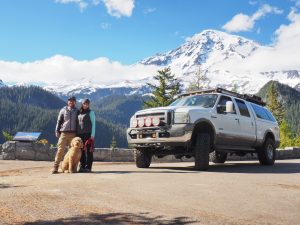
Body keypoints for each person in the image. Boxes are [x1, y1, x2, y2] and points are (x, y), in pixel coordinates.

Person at [52, 96, 79, 174]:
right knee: (60, 150)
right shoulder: (63, 110)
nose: (71, 102)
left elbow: (79, 122)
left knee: (73, 152)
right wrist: (57, 130)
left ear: (75, 102)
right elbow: (59, 121)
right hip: (63, 133)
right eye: (70, 101)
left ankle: (72, 168)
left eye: (73, 101)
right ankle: (55, 167)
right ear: (68, 102)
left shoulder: (77, 111)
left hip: (73, 134)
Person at [77, 98, 96, 172]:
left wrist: (92, 135)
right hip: (80, 134)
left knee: (89, 151)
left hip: (88, 134)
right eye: (84, 104)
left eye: (87, 104)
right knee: (81, 151)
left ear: (88, 105)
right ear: (82, 104)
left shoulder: (91, 113)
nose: (85, 105)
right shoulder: (79, 112)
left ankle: (88, 167)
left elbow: (94, 124)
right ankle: (82, 166)